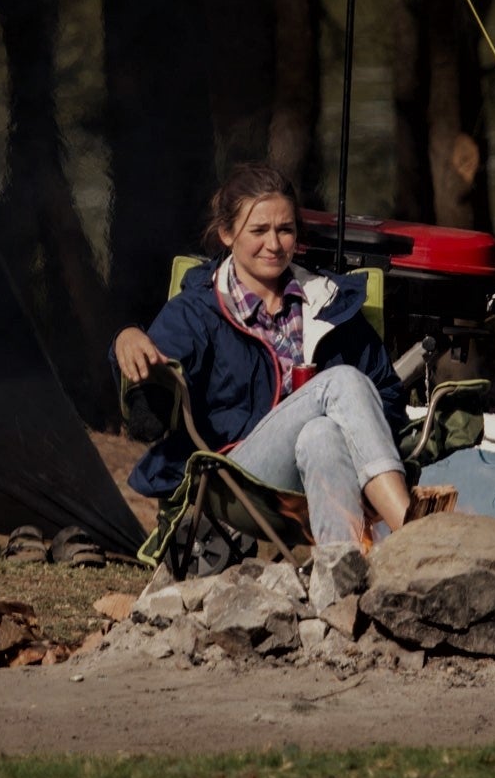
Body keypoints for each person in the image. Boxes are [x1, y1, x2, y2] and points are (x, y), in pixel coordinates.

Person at [114, 163, 412, 548]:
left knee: (321, 433)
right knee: (341, 382)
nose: (274, 244)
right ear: (226, 234)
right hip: (238, 476)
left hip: (320, 466)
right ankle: (410, 532)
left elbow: (387, 393)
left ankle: (343, 573)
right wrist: (126, 337)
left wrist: (354, 428)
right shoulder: (198, 311)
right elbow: (150, 410)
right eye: (258, 230)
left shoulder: (327, 302)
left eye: (285, 230)